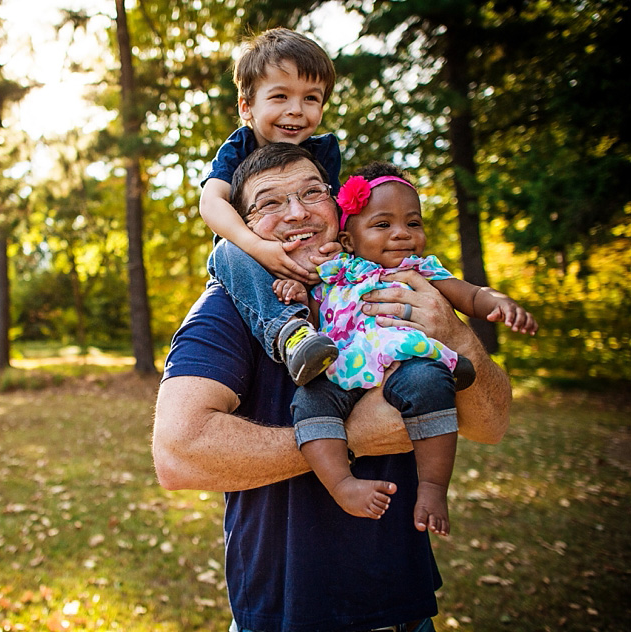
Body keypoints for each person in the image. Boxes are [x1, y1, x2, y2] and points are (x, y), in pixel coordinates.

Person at [153, 143, 512, 632]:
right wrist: (352, 438)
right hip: (286, 614)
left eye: (312, 193)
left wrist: (455, 334)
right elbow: (178, 454)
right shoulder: (229, 307)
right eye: (270, 203)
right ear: (243, 228)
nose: (297, 212)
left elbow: (491, 426)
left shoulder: (398, 284)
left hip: (406, 611)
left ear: (339, 207)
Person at [273, 161, 536, 537]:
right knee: (309, 401)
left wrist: (499, 303)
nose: (401, 234)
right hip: (344, 367)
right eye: (383, 224)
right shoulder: (336, 270)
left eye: (413, 223)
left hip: (405, 362)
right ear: (349, 239)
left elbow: (471, 294)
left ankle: (431, 487)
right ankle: (342, 484)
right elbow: (314, 314)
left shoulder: (422, 270)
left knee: (430, 385)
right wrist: (296, 293)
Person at [200, 27, 343, 386]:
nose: (296, 111)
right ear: (246, 107)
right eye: (280, 96)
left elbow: (337, 212)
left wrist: (339, 244)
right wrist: (259, 249)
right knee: (225, 252)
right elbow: (211, 202)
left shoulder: (323, 151)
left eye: (311, 98)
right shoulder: (239, 147)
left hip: (310, 267)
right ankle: (291, 334)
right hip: (252, 270)